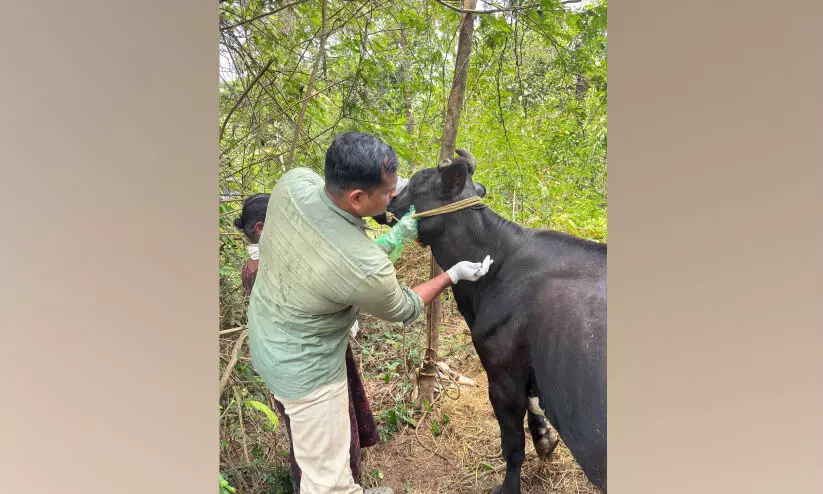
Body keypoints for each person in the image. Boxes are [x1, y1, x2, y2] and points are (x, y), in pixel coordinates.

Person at [247, 131, 492, 494]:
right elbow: (404, 305)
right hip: (305, 372)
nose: (395, 195)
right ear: (357, 198)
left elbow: (341, 255)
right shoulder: (364, 268)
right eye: (390, 191)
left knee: (318, 451)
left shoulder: (293, 184)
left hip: (267, 336)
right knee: (326, 481)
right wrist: (451, 275)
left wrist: (398, 213)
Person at [234, 193, 380, 493]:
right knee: (327, 436)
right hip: (310, 367)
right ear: (262, 228)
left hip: (294, 364)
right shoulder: (269, 269)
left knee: (310, 438)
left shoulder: (257, 266)